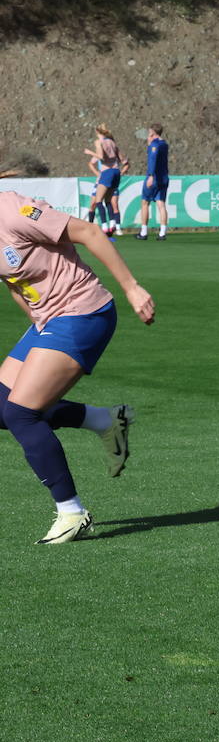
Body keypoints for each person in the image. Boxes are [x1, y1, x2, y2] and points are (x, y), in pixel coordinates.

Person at [0, 189, 154, 543]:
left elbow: (89, 233)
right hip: (49, 320)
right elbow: (13, 283)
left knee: (21, 413)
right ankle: (105, 420)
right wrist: (38, 327)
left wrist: (132, 288)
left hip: (84, 311)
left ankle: (72, 513)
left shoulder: (13, 211)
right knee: (2, 406)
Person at [84, 125, 128, 237]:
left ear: (98, 133)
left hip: (107, 172)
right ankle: (112, 223)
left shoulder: (100, 142)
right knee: (108, 201)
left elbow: (101, 157)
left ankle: (104, 226)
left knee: (98, 201)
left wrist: (90, 153)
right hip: (116, 172)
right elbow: (123, 160)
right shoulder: (112, 142)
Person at [137, 124, 170, 240]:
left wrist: (151, 175)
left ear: (152, 132)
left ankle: (144, 232)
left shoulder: (154, 145)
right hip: (164, 177)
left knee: (145, 202)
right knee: (161, 204)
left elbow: (152, 159)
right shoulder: (164, 144)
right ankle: (162, 232)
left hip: (154, 177)